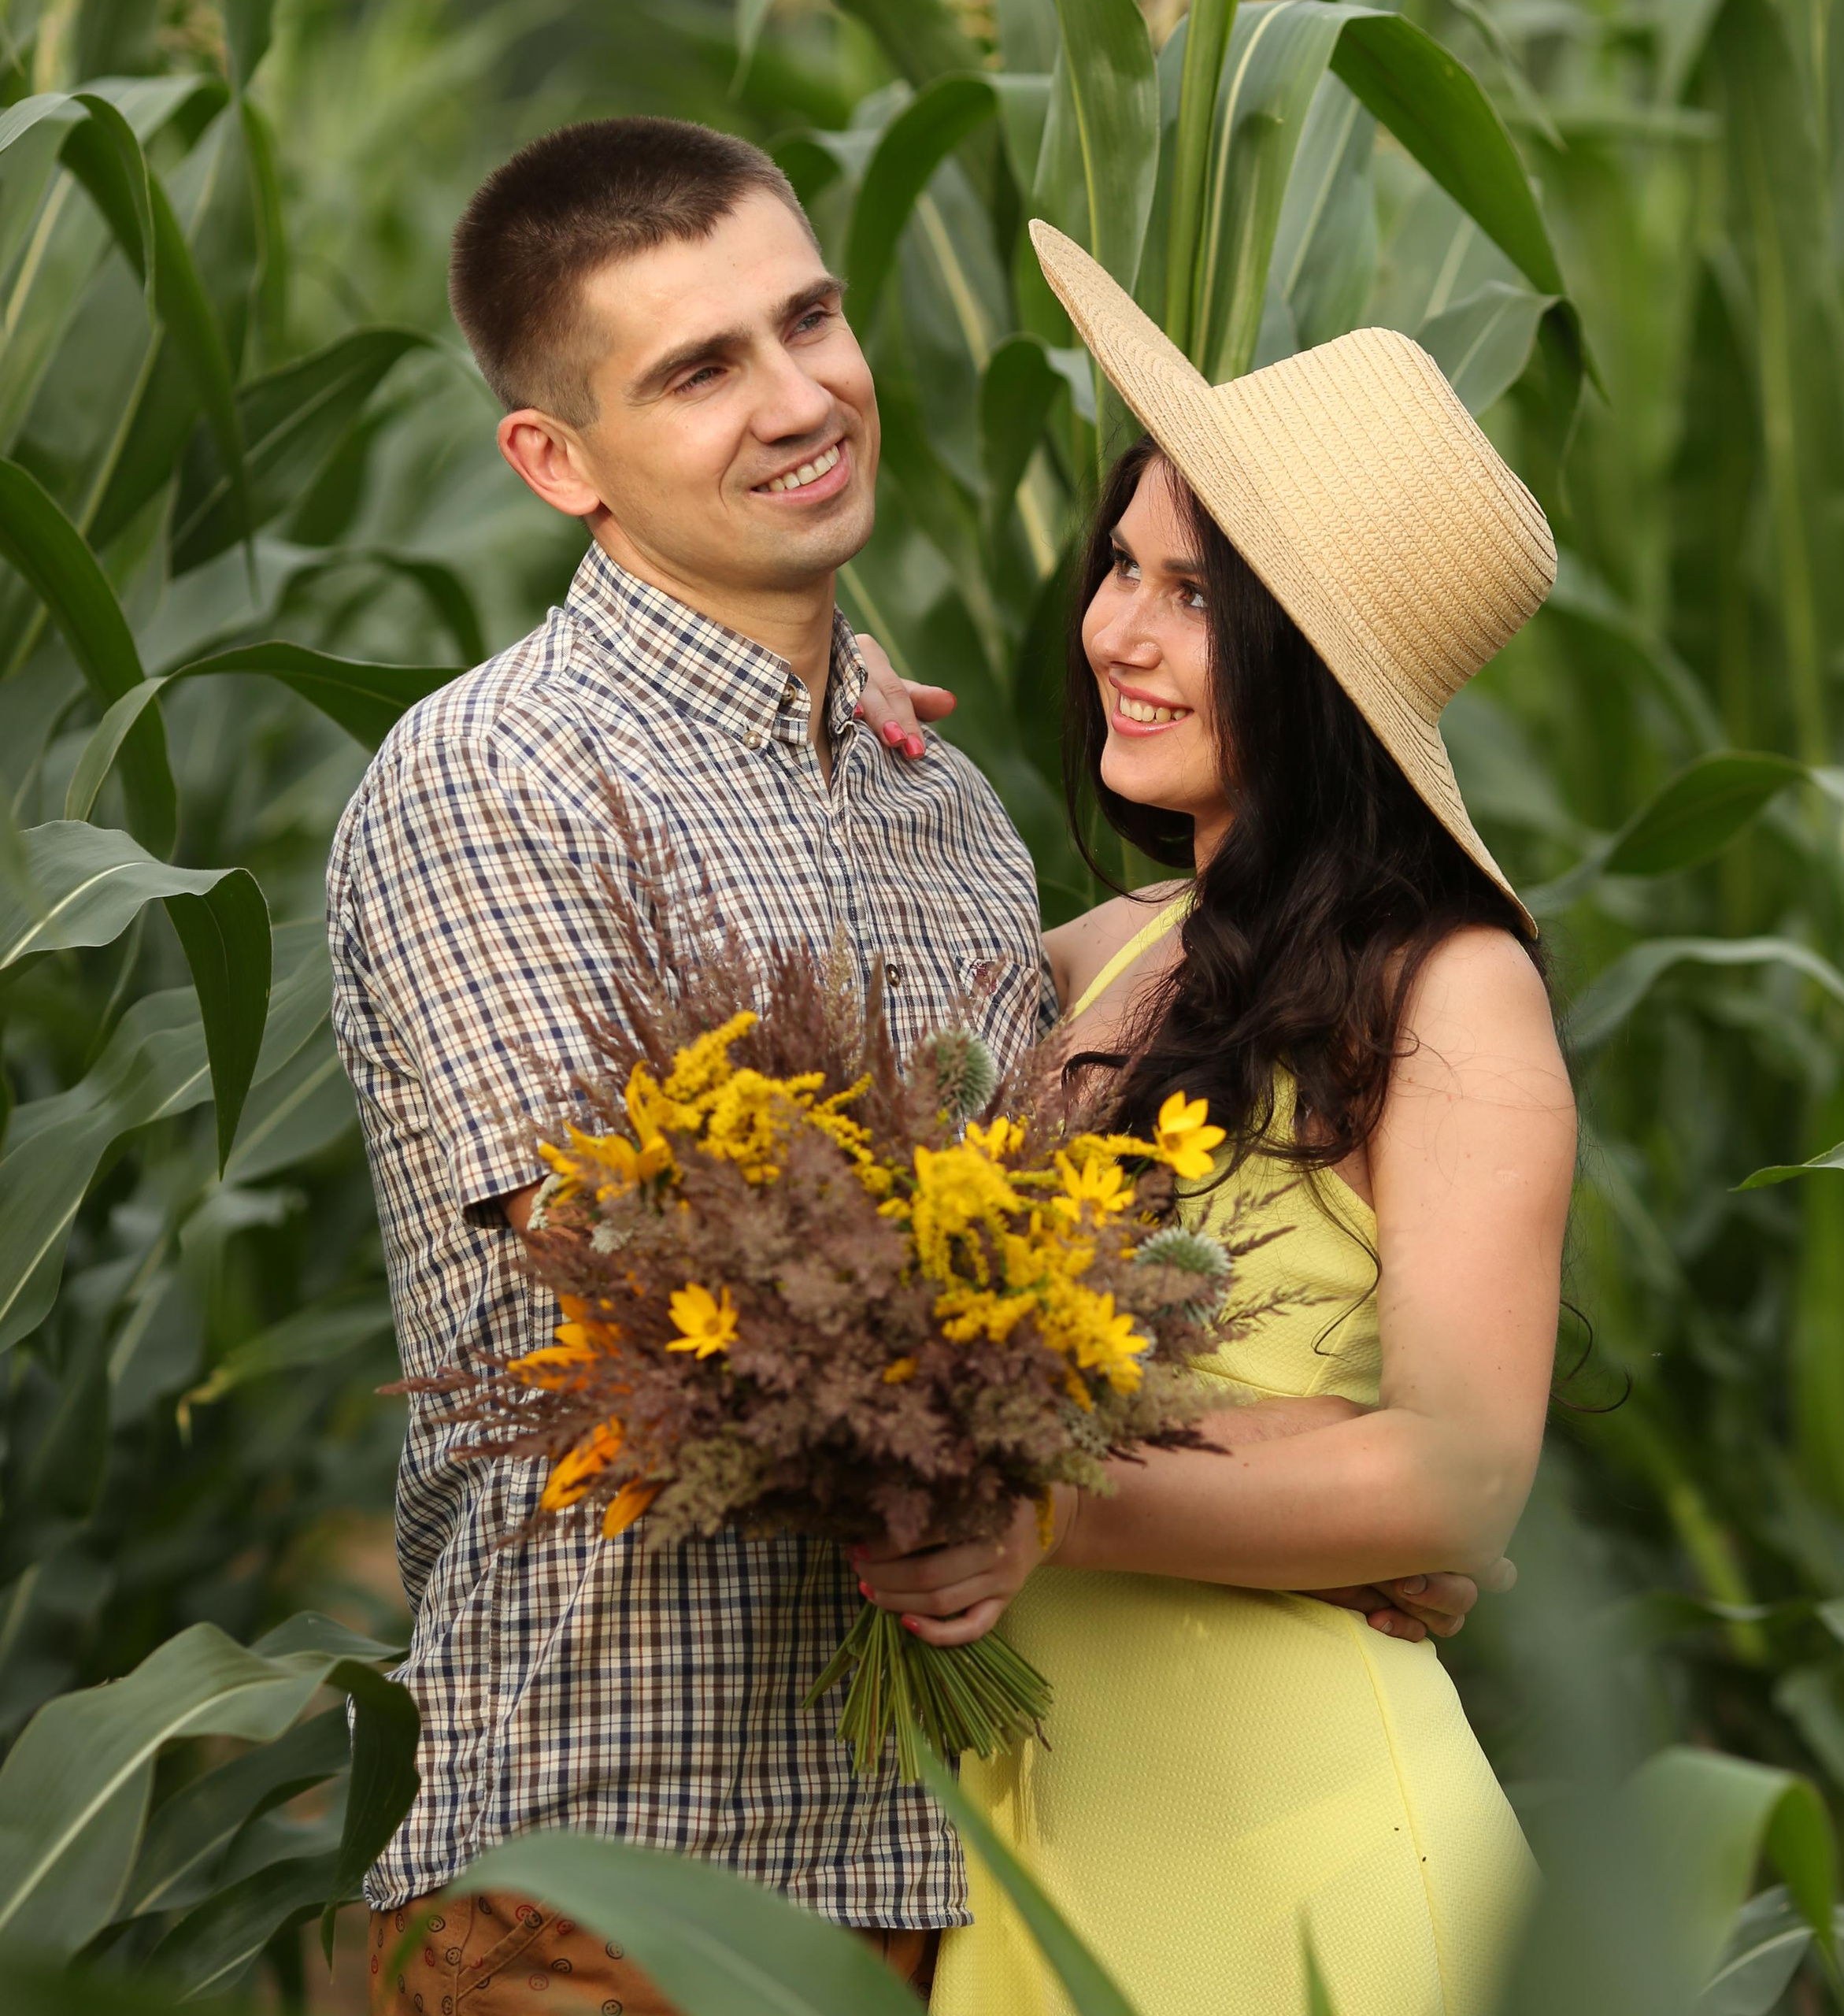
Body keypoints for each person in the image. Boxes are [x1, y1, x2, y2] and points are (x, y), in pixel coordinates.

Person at [328, 123, 1473, 2014]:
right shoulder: (500, 780)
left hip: (955, 1875)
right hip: (626, 1870)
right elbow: (651, 1288)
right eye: (699, 369)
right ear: (556, 459)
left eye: (811, 318)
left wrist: (1318, 1494)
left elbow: (1038, 1303)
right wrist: (1198, 1485)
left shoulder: (945, 820)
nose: (798, 397)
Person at [854, 223, 1575, 2015]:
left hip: (1302, 1855)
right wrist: (813, 733)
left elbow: (1460, 1471)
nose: (1113, 628)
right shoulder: (1096, 959)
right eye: (1119, 563)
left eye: (1194, 596)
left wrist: (1047, 1502)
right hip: (1045, 1843)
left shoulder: (1446, 983)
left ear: (1314, 668)